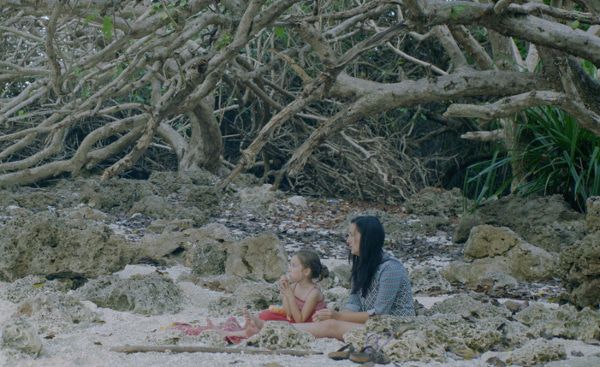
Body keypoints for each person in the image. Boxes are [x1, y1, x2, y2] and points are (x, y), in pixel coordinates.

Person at [243, 215, 414, 341]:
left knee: (331, 325)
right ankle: (267, 329)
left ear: (367, 238)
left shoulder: (391, 269)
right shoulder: (362, 266)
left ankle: (269, 328)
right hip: (372, 324)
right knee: (329, 322)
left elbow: (379, 313)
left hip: (395, 328)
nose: (347, 240)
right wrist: (335, 315)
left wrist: (338, 317)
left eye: (351, 235)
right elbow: (354, 302)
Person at [178, 249, 328, 342]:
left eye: (294, 266)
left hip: (307, 326)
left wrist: (289, 295)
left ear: (307, 271)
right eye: (290, 264)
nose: (289, 269)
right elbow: (289, 313)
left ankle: (239, 332)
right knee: (265, 314)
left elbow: (300, 320)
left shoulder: (313, 293)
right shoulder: (294, 286)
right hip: (293, 320)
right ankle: (246, 328)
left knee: (270, 321)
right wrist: (285, 293)